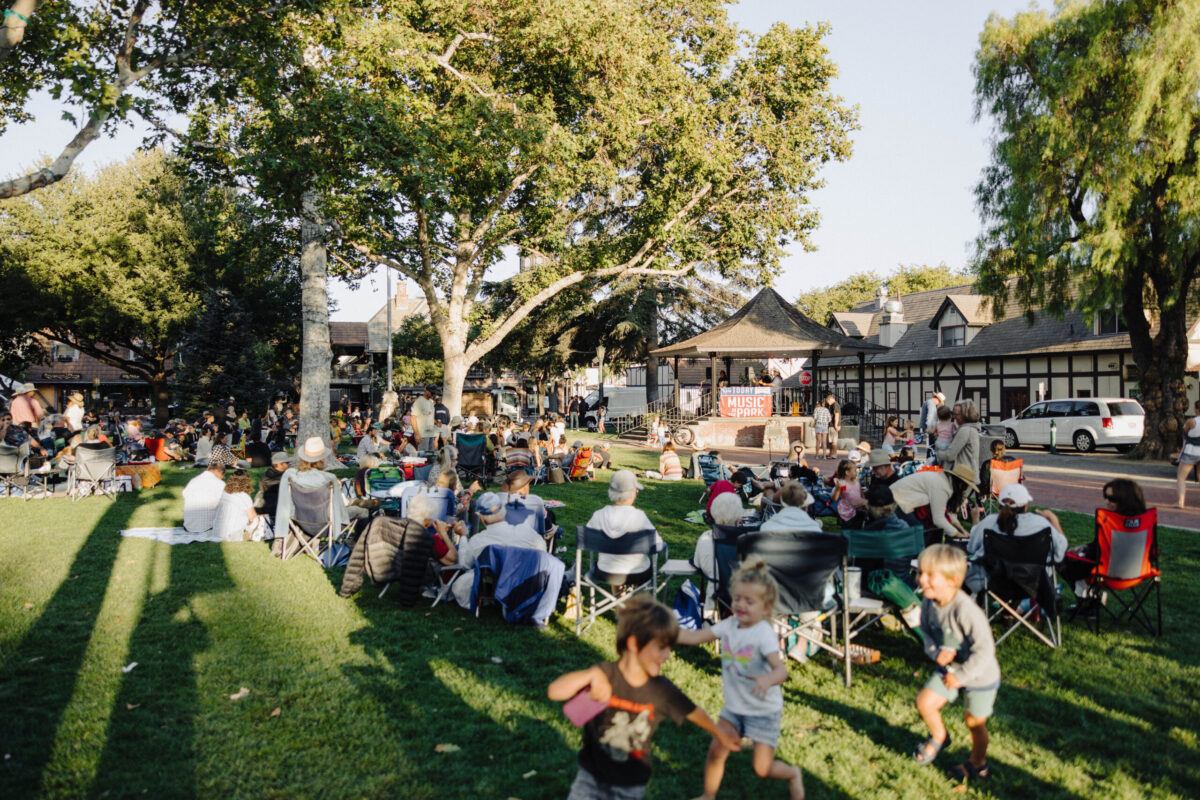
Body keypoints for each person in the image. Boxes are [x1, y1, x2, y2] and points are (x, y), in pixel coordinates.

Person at [547, 594, 739, 799]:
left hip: (630, 785)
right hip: (590, 779)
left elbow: (693, 712)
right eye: (662, 647)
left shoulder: (660, 690)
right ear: (634, 644)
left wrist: (719, 732)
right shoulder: (604, 675)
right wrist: (590, 675)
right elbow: (554, 692)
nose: (667, 655)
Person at [677, 561, 805, 800]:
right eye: (737, 599)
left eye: (749, 601)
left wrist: (767, 680)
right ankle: (708, 795)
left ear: (766, 608)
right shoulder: (729, 625)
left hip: (763, 710)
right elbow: (694, 637)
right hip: (735, 707)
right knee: (717, 749)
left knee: (762, 768)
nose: (740, 605)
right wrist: (666, 631)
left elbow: (781, 671)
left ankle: (792, 774)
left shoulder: (763, 634)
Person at [913, 544, 999, 781]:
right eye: (921, 572)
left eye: (930, 575)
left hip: (980, 674)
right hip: (950, 668)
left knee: (974, 721)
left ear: (953, 580)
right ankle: (939, 736)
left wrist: (961, 677)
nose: (922, 579)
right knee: (925, 703)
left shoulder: (966, 611)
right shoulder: (930, 602)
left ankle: (978, 763)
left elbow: (985, 651)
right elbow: (926, 633)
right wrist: (935, 652)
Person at [451, 491, 549, 608]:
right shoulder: (527, 531)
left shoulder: (479, 540)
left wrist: (462, 536)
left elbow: (464, 564)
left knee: (460, 583)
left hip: (493, 584)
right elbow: (543, 551)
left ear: (482, 518)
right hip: (524, 583)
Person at [964, 483, 1067, 592]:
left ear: (1000, 504)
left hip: (994, 582)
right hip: (1031, 582)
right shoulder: (1041, 524)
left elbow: (972, 548)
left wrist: (975, 521)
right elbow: (1060, 553)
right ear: (1026, 504)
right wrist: (1054, 520)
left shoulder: (989, 522)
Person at [1060, 478, 1148, 602]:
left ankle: (1087, 601)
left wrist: (1079, 553)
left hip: (1108, 576)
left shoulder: (1111, 523)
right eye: (1105, 497)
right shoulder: (1145, 521)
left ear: (1125, 500)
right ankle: (1089, 598)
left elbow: (1098, 552)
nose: (1106, 502)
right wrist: (1085, 548)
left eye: (1112, 499)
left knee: (1062, 560)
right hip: (1139, 574)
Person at [273, 436, 367, 541]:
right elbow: (339, 507)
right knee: (363, 511)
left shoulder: (291, 475)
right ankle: (358, 544)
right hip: (326, 524)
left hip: (299, 521)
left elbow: (284, 503)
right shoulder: (328, 478)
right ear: (322, 458)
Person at [584, 470, 664, 585]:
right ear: (633, 493)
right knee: (644, 565)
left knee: (614, 560)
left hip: (605, 572)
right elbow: (658, 544)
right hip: (637, 573)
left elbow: (587, 540)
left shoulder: (599, 515)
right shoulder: (639, 517)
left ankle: (617, 599)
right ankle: (635, 599)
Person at [890, 463, 978, 541]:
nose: (965, 490)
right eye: (965, 486)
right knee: (921, 535)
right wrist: (959, 535)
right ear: (960, 484)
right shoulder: (942, 486)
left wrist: (962, 530)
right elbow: (938, 519)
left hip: (900, 502)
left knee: (925, 534)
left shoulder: (944, 481)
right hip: (896, 503)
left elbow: (948, 513)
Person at [214, 470, 268, 541]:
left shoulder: (223, 493)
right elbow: (252, 518)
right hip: (234, 532)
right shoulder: (244, 496)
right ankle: (255, 536)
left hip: (218, 530)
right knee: (260, 519)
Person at [182, 457, 229, 534]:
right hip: (207, 527)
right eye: (223, 476)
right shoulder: (220, 484)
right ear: (220, 472)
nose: (222, 478)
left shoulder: (193, 481)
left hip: (189, 526)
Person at [254, 451, 292, 520]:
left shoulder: (282, 473)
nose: (289, 464)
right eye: (287, 463)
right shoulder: (269, 476)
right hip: (275, 510)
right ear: (279, 465)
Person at [1177, 398, 1200, 507]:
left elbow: (1184, 434)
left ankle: (1180, 502)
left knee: (1181, 477)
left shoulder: (1191, 421)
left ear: (1196, 409)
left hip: (1191, 451)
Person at [832, 458, 866, 528]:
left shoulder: (857, 481)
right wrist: (838, 489)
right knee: (848, 527)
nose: (857, 472)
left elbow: (861, 493)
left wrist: (865, 503)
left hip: (859, 508)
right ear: (847, 472)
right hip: (847, 510)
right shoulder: (842, 484)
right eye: (854, 471)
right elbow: (835, 498)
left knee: (858, 526)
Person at [412, 386, 437, 451]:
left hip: (431, 434)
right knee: (423, 456)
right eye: (432, 393)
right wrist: (416, 434)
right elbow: (413, 418)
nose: (433, 395)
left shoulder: (431, 402)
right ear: (426, 391)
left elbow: (430, 417)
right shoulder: (419, 402)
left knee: (431, 457)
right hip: (422, 435)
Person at [824, 394, 841, 459]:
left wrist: (836, 425)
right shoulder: (832, 405)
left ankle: (834, 454)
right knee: (831, 440)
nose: (828, 403)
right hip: (831, 425)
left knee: (833, 440)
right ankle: (831, 453)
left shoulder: (835, 405)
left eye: (828, 401)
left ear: (831, 399)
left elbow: (837, 415)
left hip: (833, 425)